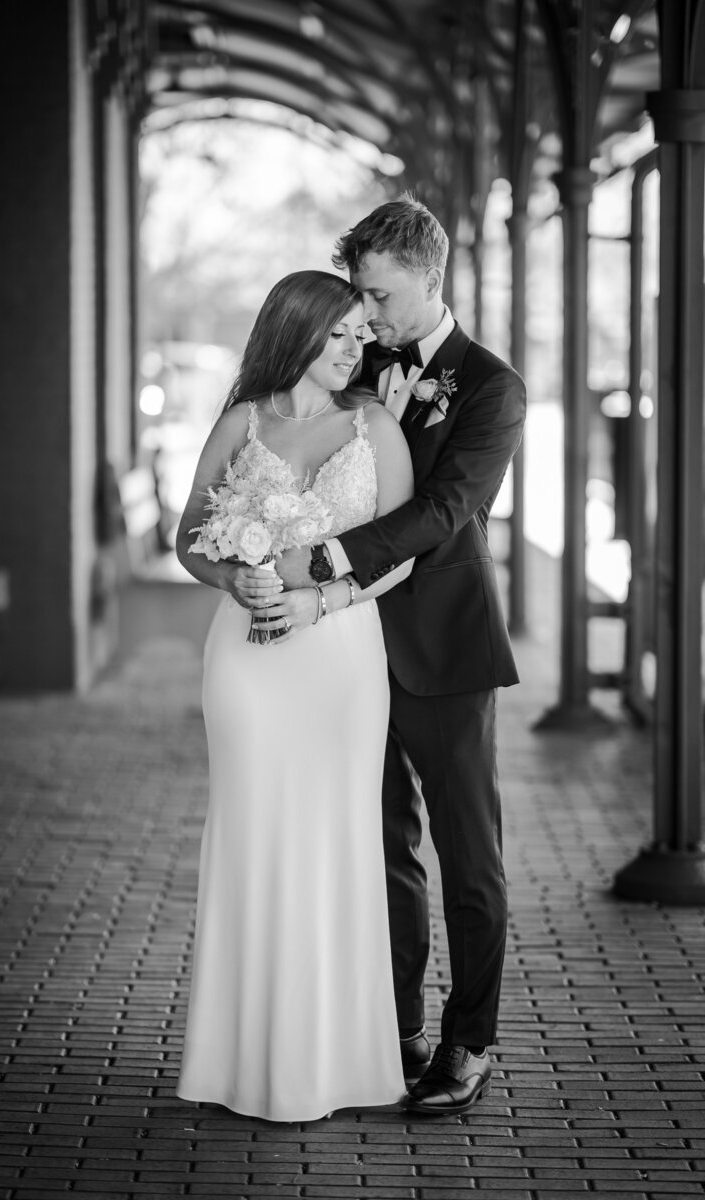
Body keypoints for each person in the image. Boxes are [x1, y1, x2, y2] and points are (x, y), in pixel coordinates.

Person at [277, 195, 526, 1116]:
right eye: (360, 297)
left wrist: (335, 558)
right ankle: (397, 1027)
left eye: (380, 295)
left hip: (444, 646)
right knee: (384, 851)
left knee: (470, 856)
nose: (368, 315)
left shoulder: (492, 385)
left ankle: (470, 1041)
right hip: (348, 649)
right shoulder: (357, 361)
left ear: (431, 273)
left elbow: (446, 509)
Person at [175, 270, 415, 1122]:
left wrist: (320, 598)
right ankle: (236, 1059)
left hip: (341, 659)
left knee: (334, 837)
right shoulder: (243, 421)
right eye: (342, 332)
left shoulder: (375, 426)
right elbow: (186, 540)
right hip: (246, 661)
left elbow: (398, 555)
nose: (358, 346)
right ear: (298, 331)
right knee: (252, 833)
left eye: (362, 332)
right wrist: (234, 578)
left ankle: (332, 1060)